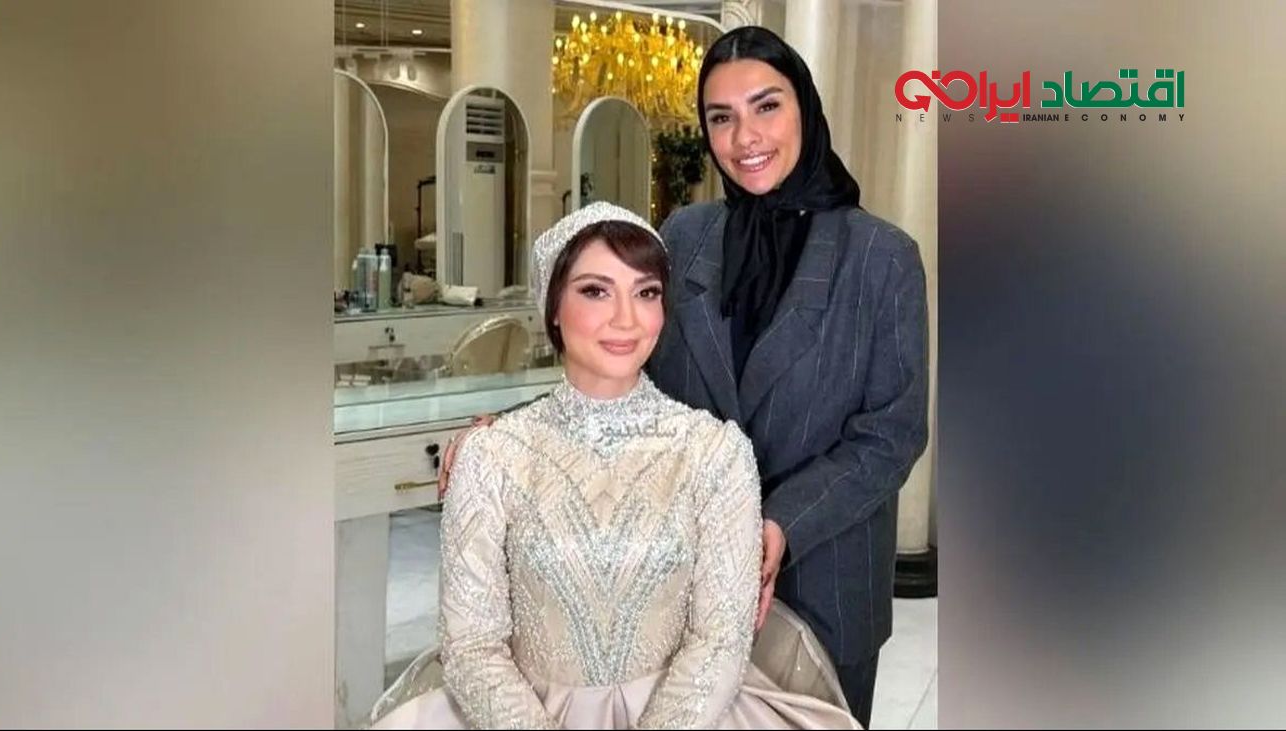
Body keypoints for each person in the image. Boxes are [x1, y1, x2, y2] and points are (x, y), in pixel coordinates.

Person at [369, 202, 858, 730]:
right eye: (595, 291)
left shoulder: (715, 453)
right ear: (553, 307)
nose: (626, 318)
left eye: (646, 292)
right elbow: (472, 646)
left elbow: (720, 640)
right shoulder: (491, 456)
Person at [642, 26, 931, 728]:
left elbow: (891, 435)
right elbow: (625, 375)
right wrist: (517, 429)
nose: (745, 137)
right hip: (687, 587)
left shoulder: (881, 256)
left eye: (766, 106)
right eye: (721, 117)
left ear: (805, 106)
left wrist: (780, 522)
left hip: (826, 586)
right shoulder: (683, 238)